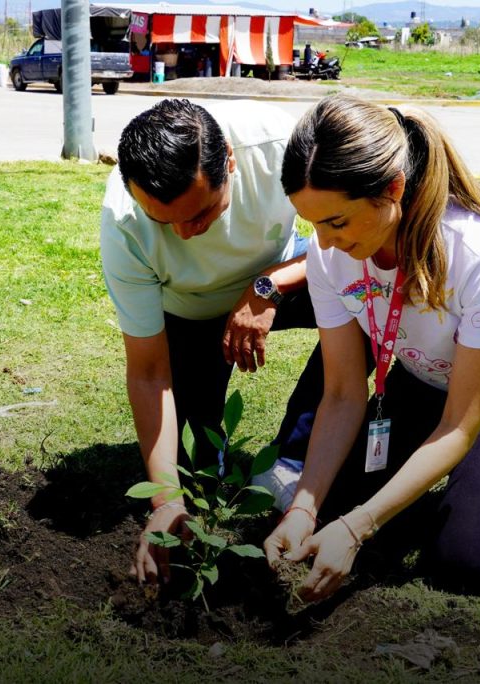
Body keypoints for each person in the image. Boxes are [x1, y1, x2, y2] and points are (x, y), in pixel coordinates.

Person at [263, 95, 480, 600]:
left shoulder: (479, 253)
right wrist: (303, 509)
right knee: (331, 502)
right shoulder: (330, 256)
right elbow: (341, 394)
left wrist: (359, 529)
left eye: (336, 222)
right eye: (312, 224)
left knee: (470, 563)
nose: (324, 245)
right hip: (428, 378)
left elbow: (460, 424)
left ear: (392, 190)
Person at [101, 99, 324, 584]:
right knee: (195, 468)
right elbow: (148, 372)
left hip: (277, 282)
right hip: (190, 313)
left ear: (230, 162)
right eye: (166, 222)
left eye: (201, 214)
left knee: (359, 300)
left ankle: (292, 456)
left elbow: (344, 243)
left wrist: (268, 286)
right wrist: (164, 501)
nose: (186, 234)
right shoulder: (123, 223)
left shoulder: (279, 144)